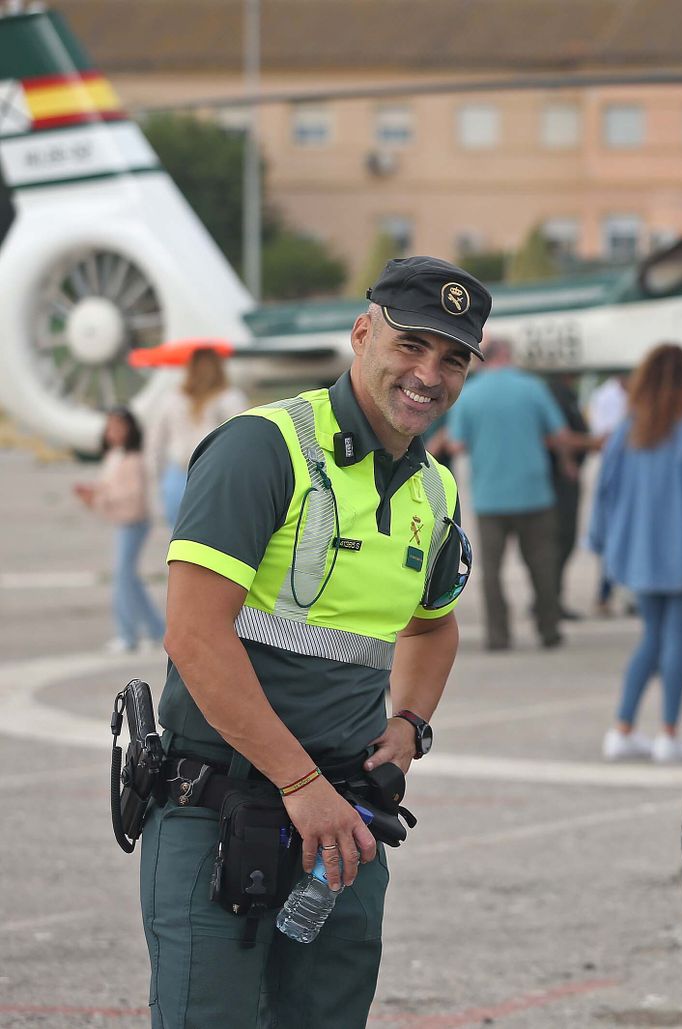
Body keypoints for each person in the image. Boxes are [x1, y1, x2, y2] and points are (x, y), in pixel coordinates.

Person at [144, 256, 482, 1027]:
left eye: (453, 357)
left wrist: (410, 725)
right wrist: (302, 787)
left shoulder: (436, 488)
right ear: (362, 333)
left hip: (343, 830)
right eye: (411, 345)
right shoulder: (263, 447)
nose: (429, 373)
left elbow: (435, 624)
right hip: (220, 812)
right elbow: (194, 635)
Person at [589, 344, 682, 762]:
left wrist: (601, 541)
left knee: (651, 638)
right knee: (680, 640)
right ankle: (668, 732)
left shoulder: (628, 428)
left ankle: (622, 728)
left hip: (637, 551)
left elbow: (604, 488)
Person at [445, 337, 576, 650]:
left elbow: (456, 444)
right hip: (535, 492)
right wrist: (568, 463)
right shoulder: (532, 388)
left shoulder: (470, 394)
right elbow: (560, 434)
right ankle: (549, 629)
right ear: (508, 355)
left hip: (490, 496)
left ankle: (498, 635)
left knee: (492, 571)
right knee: (542, 565)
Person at [73, 407, 164, 653]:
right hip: (123, 521)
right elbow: (110, 487)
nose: (113, 432)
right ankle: (157, 629)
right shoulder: (115, 455)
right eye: (110, 427)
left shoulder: (133, 459)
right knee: (129, 579)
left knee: (123, 578)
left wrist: (101, 496)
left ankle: (128, 634)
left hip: (133, 522)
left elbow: (132, 494)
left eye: (119, 427)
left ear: (131, 430)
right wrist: (96, 493)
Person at [145, 346, 248, 524]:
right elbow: (244, 441)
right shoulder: (230, 398)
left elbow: (154, 444)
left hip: (177, 475)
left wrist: (157, 481)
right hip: (216, 477)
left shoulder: (171, 399)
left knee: (180, 540)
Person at [544, 371, 591, 621]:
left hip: (562, 481)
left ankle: (552, 600)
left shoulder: (564, 394)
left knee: (564, 542)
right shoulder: (556, 394)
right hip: (559, 482)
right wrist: (593, 443)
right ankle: (550, 601)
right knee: (560, 541)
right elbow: (555, 437)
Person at [586, 371, 631, 616]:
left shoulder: (636, 396)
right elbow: (602, 437)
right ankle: (604, 595)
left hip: (633, 474)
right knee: (613, 534)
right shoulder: (606, 397)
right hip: (616, 475)